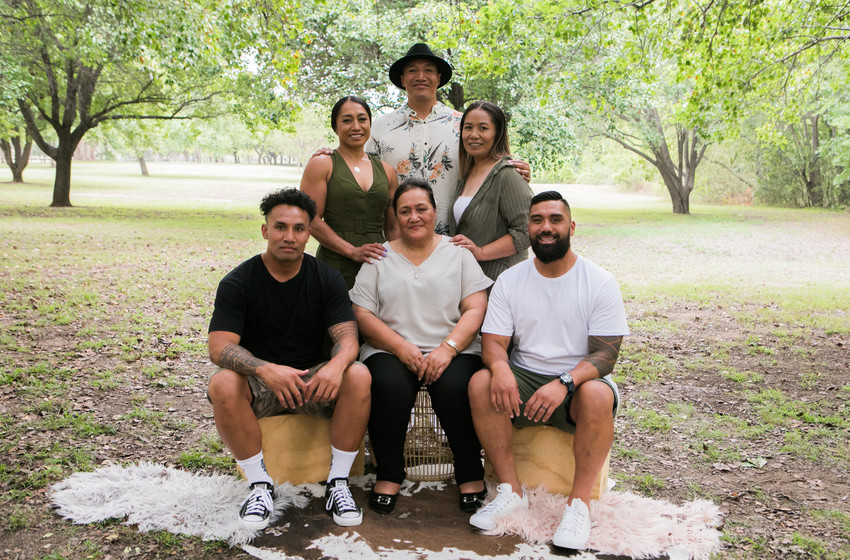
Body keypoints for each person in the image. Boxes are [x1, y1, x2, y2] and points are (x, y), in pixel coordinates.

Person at [467, 191, 629, 550]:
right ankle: (511, 491)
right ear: (528, 229)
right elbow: (493, 343)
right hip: (524, 378)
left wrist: (565, 381)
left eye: (555, 219)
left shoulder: (599, 281)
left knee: (599, 392)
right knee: (481, 382)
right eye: (538, 220)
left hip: (576, 382)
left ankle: (578, 506)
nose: (546, 227)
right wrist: (502, 369)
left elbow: (607, 353)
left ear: (571, 227)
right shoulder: (511, 279)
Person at [206, 188, 371, 530]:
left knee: (358, 375)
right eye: (280, 227)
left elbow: (348, 338)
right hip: (262, 383)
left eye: (299, 228)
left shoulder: (326, 278)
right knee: (222, 381)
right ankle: (259, 486)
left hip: (314, 382)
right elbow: (219, 347)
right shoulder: (238, 282)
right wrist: (266, 370)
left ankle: (337, 483)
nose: (289, 237)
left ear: (309, 233)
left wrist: (336, 367)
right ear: (265, 230)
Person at [349, 178, 493, 515]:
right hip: (390, 348)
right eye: (405, 211)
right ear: (396, 217)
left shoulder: (457, 253)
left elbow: (476, 307)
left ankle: (470, 472)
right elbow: (363, 313)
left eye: (421, 209)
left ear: (434, 212)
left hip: (453, 348)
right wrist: (400, 348)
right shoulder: (379, 257)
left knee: (456, 385)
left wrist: (448, 348)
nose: (414, 217)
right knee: (386, 384)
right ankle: (389, 473)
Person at [365, 43, 531, 234]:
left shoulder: (464, 126)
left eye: (428, 70)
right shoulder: (379, 128)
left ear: (438, 78)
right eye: (412, 71)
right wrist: (328, 158)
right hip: (399, 239)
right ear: (402, 79)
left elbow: (489, 166)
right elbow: (359, 172)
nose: (420, 77)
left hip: (455, 241)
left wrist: (516, 170)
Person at [300, 96, 400, 289]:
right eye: (347, 120)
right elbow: (310, 218)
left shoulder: (387, 171)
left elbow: (393, 227)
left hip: (378, 261)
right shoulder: (322, 164)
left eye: (362, 119)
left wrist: (397, 262)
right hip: (334, 262)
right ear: (335, 127)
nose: (356, 126)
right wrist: (352, 251)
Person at [448, 101, 533, 280]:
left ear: (497, 133)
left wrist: (481, 252)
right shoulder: (465, 174)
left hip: (501, 278)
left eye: (483, 128)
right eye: (468, 127)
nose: (474, 135)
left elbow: (527, 230)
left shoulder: (507, 174)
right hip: (471, 280)